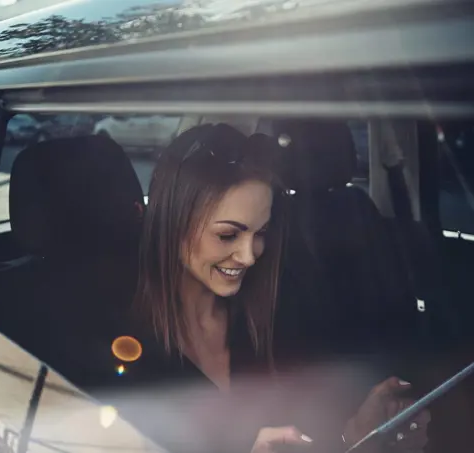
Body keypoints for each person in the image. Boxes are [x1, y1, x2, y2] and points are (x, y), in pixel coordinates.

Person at [133, 123, 430, 453]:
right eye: (228, 235)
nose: (249, 256)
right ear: (173, 223)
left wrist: (357, 437)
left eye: (261, 233)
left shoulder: (274, 315)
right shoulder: (128, 346)